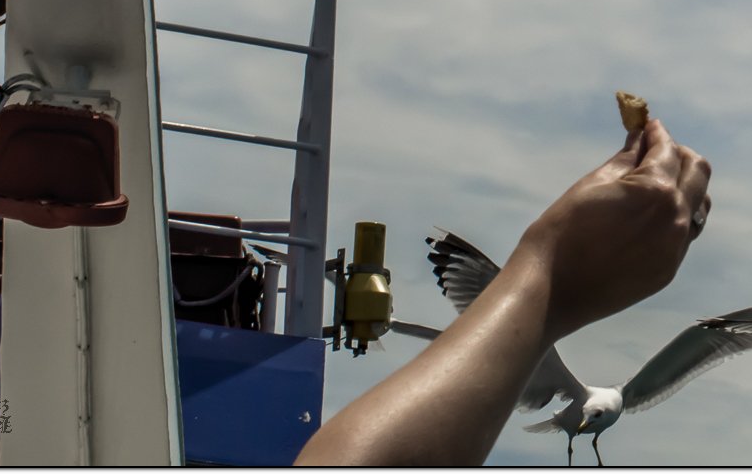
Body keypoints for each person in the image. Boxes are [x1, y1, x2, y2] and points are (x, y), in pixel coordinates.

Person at [296, 118, 712, 465]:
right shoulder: (580, 398)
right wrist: (550, 275)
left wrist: (544, 269)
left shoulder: (616, 399)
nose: (586, 420)